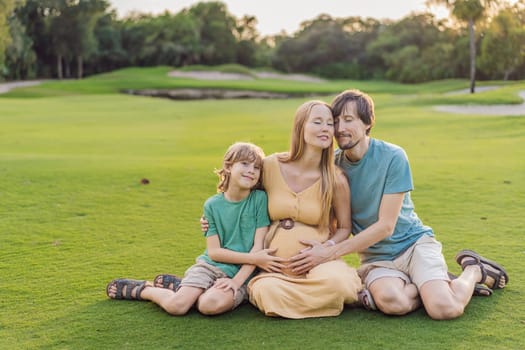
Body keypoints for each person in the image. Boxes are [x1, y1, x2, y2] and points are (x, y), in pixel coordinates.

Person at [288, 89, 509, 320]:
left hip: (413, 246)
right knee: (393, 303)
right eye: (336, 121)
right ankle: (431, 283)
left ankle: (473, 270)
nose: (340, 128)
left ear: (367, 124)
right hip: (377, 258)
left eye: (349, 120)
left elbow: (386, 226)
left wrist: (329, 253)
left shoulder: (393, 156)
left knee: (444, 309)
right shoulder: (332, 165)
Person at [203, 100, 362, 319]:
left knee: (339, 284)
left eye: (329, 123)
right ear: (300, 127)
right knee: (268, 291)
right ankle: (320, 302)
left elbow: (345, 228)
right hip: (274, 268)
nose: (326, 128)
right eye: (317, 122)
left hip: (319, 264)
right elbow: (240, 195)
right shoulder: (270, 165)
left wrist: (324, 249)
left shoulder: (335, 179)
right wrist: (211, 217)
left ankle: (310, 299)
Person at [106, 142, 283, 316]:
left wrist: (236, 282)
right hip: (210, 267)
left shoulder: (259, 199)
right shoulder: (212, 205)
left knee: (209, 305)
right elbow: (214, 253)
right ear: (228, 167)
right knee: (177, 306)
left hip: (243, 272)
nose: (251, 170)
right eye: (245, 163)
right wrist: (255, 259)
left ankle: (184, 288)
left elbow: (258, 246)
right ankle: (145, 289)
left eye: (257, 167)